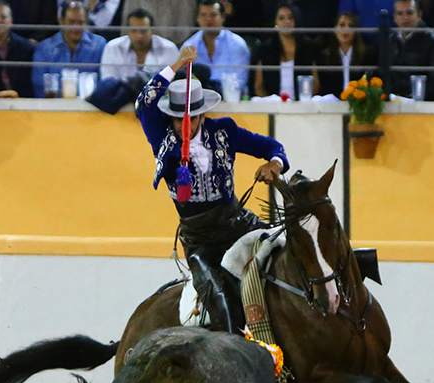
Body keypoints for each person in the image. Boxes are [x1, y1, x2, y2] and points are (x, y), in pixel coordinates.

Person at [135, 46, 289, 333]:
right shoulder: (161, 138)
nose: (186, 124)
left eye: (192, 117)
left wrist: (275, 165)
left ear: (203, 115)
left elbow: (271, 147)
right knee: (221, 298)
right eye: (179, 118)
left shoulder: (224, 132)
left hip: (237, 223)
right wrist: (177, 64)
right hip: (200, 241)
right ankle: (239, 351)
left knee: (286, 250)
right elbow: (144, 103)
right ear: (170, 117)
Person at [31, 1, 106, 97]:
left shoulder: (99, 45)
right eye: (71, 22)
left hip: (91, 109)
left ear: (86, 22)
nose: (76, 28)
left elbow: (104, 83)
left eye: (80, 22)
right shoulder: (44, 49)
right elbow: (39, 87)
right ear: (61, 21)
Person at [181, 0, 251, 95]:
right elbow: (183, 82)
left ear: (223, 17)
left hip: (230, 102)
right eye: (203, 15)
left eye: (213, 15)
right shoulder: (188, 46)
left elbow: (239, 82)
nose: (208, 19)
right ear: (197, 18)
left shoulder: (237, 45)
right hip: (198, 102)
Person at [251, 2, 320, 99]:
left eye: (290, 17)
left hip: (303, 106)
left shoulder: (309, 47)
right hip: (273, 107)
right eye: (281, 18)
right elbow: (258, 86)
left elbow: (316, 83)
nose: (286, 22)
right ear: (276, 22)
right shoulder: (265, 49)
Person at [386, 0, 434, 100]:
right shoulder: (389, 41)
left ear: (419, 15)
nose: (405, 18)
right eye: (400, 13)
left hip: (422, 104)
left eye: (409, 13)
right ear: (394, 18)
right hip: (394, 102)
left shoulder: (433, 41)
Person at [99, 8, 178, 81]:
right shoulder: (113, 47)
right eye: (134, 31)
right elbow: (108, 83)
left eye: (143, 31)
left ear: (152, 31)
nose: (139, 35)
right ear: (128, 31)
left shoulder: (169, 48)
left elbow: (174, 82)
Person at [317, 11, 375, 97]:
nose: (346, 29)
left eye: (351, 26)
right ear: (334, 29)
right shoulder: (325, 56)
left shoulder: (367, 54)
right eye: (341, 25)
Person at [121, 0, 198, 45]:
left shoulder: (184, 2)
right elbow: (126, 32)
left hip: (173, 50)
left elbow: (185, 34)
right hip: (138, 49)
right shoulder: (133, 1)